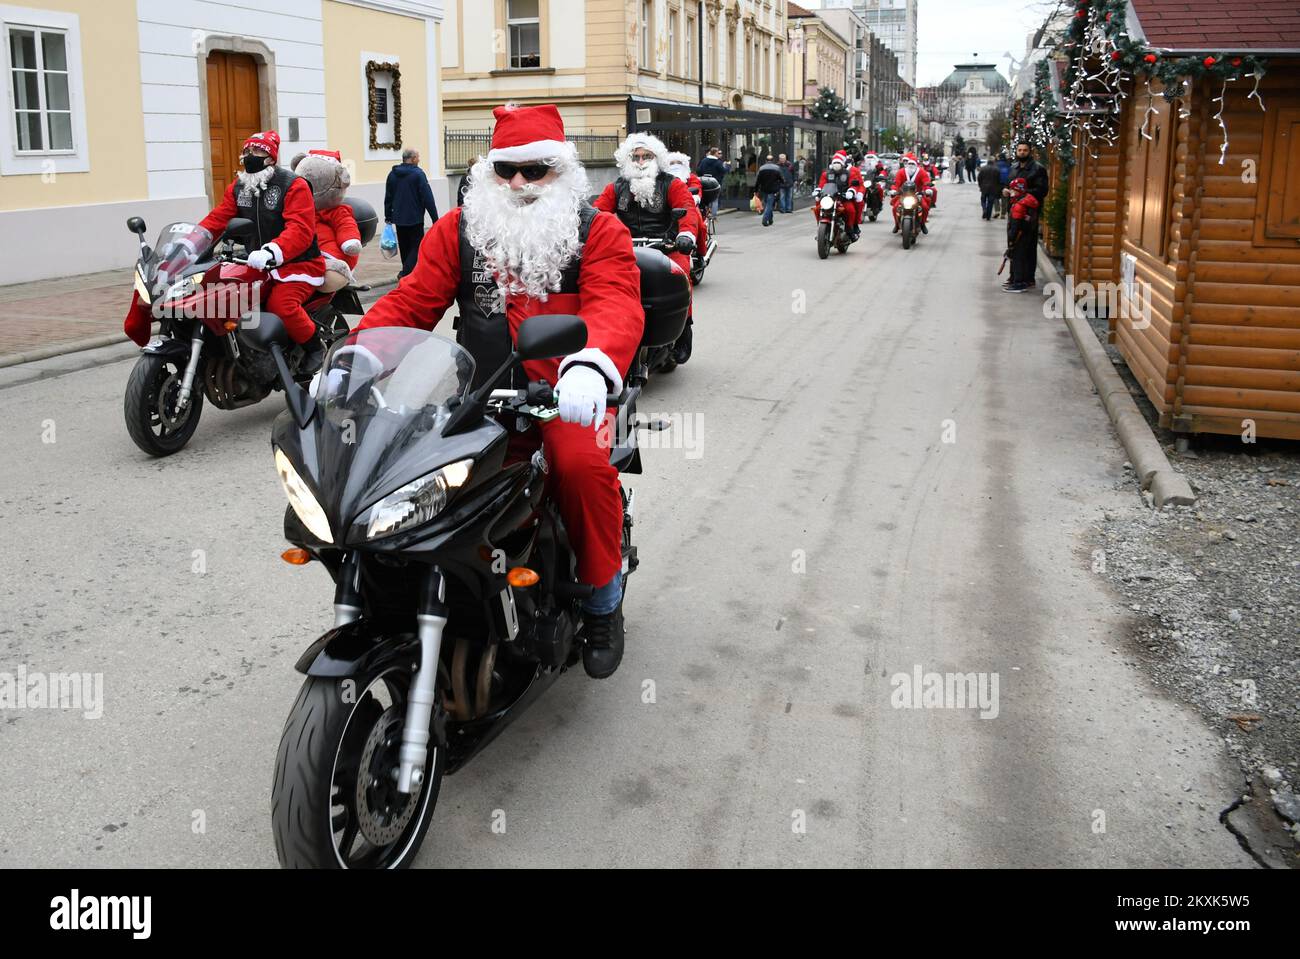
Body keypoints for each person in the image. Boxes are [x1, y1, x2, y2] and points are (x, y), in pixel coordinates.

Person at [356, 104, 644, 678]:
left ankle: (602, 599)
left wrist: (591, 364)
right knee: (398, 476)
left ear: (560, 172)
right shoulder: (459, 231)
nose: (518, 183)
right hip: (473, 399)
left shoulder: (597, 231)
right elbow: (411, 302)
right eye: (506, 170)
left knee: (581, 467)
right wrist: (357, 355)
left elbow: (615, 301)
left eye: (535, 170)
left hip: (566, 397)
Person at [196, 130, 329, 372]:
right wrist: (191, 241)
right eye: (246, 151)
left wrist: (273, 251)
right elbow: (217, 219)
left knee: (282, 306)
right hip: (255, 264)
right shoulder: (239, 187)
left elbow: (300, 229)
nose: (249, 156)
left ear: (271, 158)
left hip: (297, 264)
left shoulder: (293, 185)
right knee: (224, 296)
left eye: (256, 151)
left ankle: (315, 347)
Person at [594, 132, 700, 365]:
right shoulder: (616, 187)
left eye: (647, 156)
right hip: (626, 248)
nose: (641, 161)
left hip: (667, 245)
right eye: (636, 157)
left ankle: (684, 329)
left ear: (657, 158)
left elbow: (687, 209)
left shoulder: (671, 184)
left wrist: (685, 235)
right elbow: (598, 212)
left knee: (681, 276)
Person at [291, 149, 362, 293]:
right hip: (304, 255)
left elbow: (346, 225)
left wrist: (350, 242)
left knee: (329, 276)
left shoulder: (336, 211)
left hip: (332, 258)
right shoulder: (295, 208)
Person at [384, 147, 440, 278]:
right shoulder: (418, 174)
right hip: (415, 218)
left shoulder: (392, 174)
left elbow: (388, 196)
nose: (419, 159)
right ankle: (406, 273)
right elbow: (427, 198)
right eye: (418, 157)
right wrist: (435, 219)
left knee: (405, 248)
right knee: (417, 247)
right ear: (413, 158)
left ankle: (408, 274)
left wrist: (388, 216)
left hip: (398, 218)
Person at [1003, 140, 1049, 288]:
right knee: (1013, 243)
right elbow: (1009, 185)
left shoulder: (1037, 169)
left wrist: (1021, 193)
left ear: (1030, 151)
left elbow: (1042, 191)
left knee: (1026, 246)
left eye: (1025, 150)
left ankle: (1026, 278)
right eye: (1020, 150)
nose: (1022, 152)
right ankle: (1014, 276)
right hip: (1014, 210)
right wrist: (1005, 191)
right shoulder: (1014, 167)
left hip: (1029, 213)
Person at [814, 151, 864, 241]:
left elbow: (854, 185)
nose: (836, 164)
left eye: (838, 163)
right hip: (830, 198)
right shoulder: (826, 174)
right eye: (835, 163)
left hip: (843, 199)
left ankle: (849, 229)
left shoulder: (849, 173)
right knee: (817, 209)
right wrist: (818, 191)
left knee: (850, 210)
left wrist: (851, 192)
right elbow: (822, 184)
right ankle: (820, 228)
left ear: (842, 163)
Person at [665, 151, 710, 253]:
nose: (675, 165)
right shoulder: (663, 179)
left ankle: (700, 253)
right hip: (666, 206)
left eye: (679, 163)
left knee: (700, 225)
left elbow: (696, 187)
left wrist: (693, 197)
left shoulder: (690, 177)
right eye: (672, 163)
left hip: (688, 204)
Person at [1003, 177, 1041, 293]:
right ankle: (1021, 280)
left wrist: (1011, 239)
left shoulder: (1019, 205)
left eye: (1012, 190)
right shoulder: (1028, 201)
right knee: (1022, 258)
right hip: (1026, 235)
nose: (1011, 193)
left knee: (1018, 259)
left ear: (1018, 190)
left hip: (1019, 237)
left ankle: (1018, 283)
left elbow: (1015, 224)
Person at [890, 153, 932, 234]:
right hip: (903, 195)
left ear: (916, 164)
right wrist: (894, 190)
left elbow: (926, 183)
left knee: (925, 207)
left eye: (913, 164)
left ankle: (923, 224)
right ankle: (896, 224)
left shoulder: (922, 172)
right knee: (895, 208)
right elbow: (896, 184)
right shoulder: (901, 172)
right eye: (909, 163)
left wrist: (927, 190)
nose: (911, 165)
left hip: (917, 195)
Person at [697, 146, 729, 216]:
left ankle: (705, 214)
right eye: (718, 153)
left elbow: (699, 170)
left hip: (704, 182)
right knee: (715, 200)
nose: (719, 154)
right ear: (715, 153)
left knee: (705, 199)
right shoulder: (718, 162)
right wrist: (726, 166)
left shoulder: (704, 161)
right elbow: (723, 171)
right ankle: (713, 216)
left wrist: (702, 176)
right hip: (715, 182)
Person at [755, 155, 784, 227]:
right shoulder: (777, 168)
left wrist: (756, 189)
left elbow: (758, 180)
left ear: (766, 160)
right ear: (773, 160)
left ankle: (770, 219)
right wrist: (782, 182)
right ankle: (765, 219)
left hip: (764, 189)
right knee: (769, 204)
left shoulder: (761, 168)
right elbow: (781, 178)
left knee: (767, 203)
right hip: (773, 189)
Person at [976, 156, 1001, 221]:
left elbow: (979, 178)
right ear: (993, 161)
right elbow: (998, 180)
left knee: (983, 200)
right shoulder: (997, 169)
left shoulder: (983, 168)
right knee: (990, 202)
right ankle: (988, 216)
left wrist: (980, 185)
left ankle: (984, 209)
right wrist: (997, 188)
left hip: (984, 187)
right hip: (993, 188)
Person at [996, 152, 1012, 218]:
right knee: (1004, 198)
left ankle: (997, 210)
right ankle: (1003, 214)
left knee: (995, 197)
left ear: (999, 157)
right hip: (1006, 184)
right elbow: (1011, 174)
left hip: (997, 183)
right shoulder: (1008, 165)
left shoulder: (996, 164)